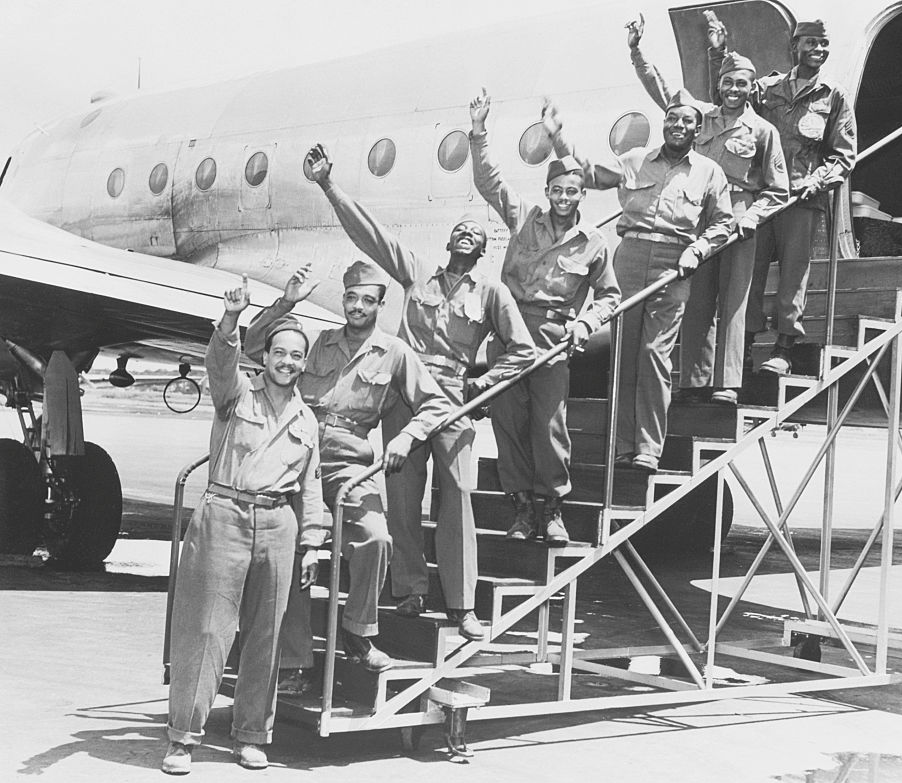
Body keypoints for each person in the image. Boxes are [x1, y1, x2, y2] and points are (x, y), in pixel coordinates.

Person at [302, 143, 535, 641]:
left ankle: (462, 604)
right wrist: (328, 185)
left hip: (454, 399)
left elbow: (524, 350)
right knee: (402, 500)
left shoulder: (491, 292)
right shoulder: (416, 272)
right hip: (404, 398)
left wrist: (482, 384)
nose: (465, 234)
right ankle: (409, 588)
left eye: (475, 232)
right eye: (459, 230)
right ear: (450, 242)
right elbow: (373, 237)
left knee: (458, 501)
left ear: (483, 248)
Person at [244, 260, 451, 684]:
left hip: (349, 459)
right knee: (296, 551)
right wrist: (287, 302)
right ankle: (292, 662)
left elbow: (435, 404)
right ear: (343, 300)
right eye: (351, 298)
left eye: (367, 300)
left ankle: (358, 632)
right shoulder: (317, 342)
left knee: (375, 539)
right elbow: (252, 349)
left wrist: (406, 437)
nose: (357, 306)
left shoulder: (394, 351)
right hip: (299, 452)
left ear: (380, 304)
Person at [163, 275, 326, 775]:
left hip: (279, 524)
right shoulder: (236, 395)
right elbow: (219, 361)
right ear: (268, 355)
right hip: (224, 517)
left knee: (266, 636)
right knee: (208, 630)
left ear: (304, 363)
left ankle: (252, 734)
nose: (287, 362)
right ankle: (183, 738)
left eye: (297, 356)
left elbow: (312, 486)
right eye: (280, 352)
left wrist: (314, 543)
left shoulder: (307, 419)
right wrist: (232, 318)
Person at [545, 96, 733, 471]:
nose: (677, 126)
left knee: (653, 354)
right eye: (671, 119)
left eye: (686, 122)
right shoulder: (635, 160)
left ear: (698, 131)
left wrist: (698, 248)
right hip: (629, 259)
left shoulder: (710, 172)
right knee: (625, 356)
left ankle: (648, 447)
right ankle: (623, 446)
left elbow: (723, 223)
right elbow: (589, 175)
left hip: (674, 265)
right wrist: (558, 137)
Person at [470, 88, 621, 541]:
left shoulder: (593, 242)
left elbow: (610, 296)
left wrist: (584, 323)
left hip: (554, 340)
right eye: (556, 190)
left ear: (581, 195)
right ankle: (521, 512)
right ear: (547, 191)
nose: (563, 197)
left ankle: (552, 509)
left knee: (550, 429)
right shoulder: (524, 218)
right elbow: (489, 182)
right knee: (508, 424)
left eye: (572, 191)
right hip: (510, 334)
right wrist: (478, 133)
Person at [626, 15, 789, 405]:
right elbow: (663, 89)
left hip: (737, 218)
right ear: (719, 85)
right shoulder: (700, 119)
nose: (734, 89)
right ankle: (694, 381)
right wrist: (637, 52)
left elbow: (778, 189)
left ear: (752, 89)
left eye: (742, 84)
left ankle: (727, 384)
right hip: (697, 218)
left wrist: (750, 217)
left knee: (733, 301)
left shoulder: (764, 132)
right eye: (728, 82)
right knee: (697, 297)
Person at [708, 16, 857, 374]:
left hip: (801, 200)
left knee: (794, 274)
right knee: (750, 272)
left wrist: (817, 180)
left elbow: (844, 155)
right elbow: (732, 93)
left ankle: (784, 349)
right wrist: (718, 54)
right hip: (762, 196)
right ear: (795, 47)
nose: (817, 50)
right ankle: (740, 349)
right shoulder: (768, 89)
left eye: (823, 44)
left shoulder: (833, 96)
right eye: (810, 43)